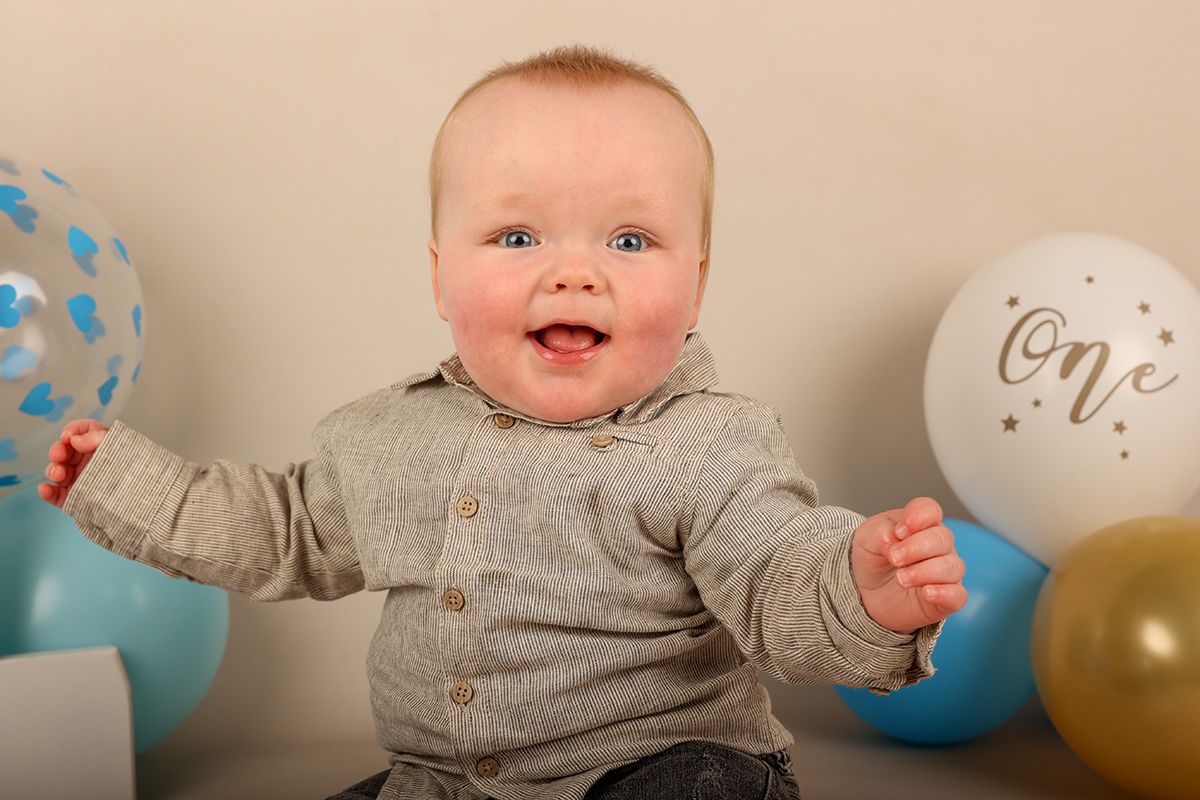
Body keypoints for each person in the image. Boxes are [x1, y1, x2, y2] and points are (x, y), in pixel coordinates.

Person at [40, 44, 966, 800]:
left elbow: (776, 575)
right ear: (441, 277)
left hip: (661, 768)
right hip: (445, 782)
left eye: (629, 240)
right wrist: (122, 481)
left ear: (698, 285)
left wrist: (862, 590)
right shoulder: (391, 437)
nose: (572, 273)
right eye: (518, 238)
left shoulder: (705, 445)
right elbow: (278, 529)